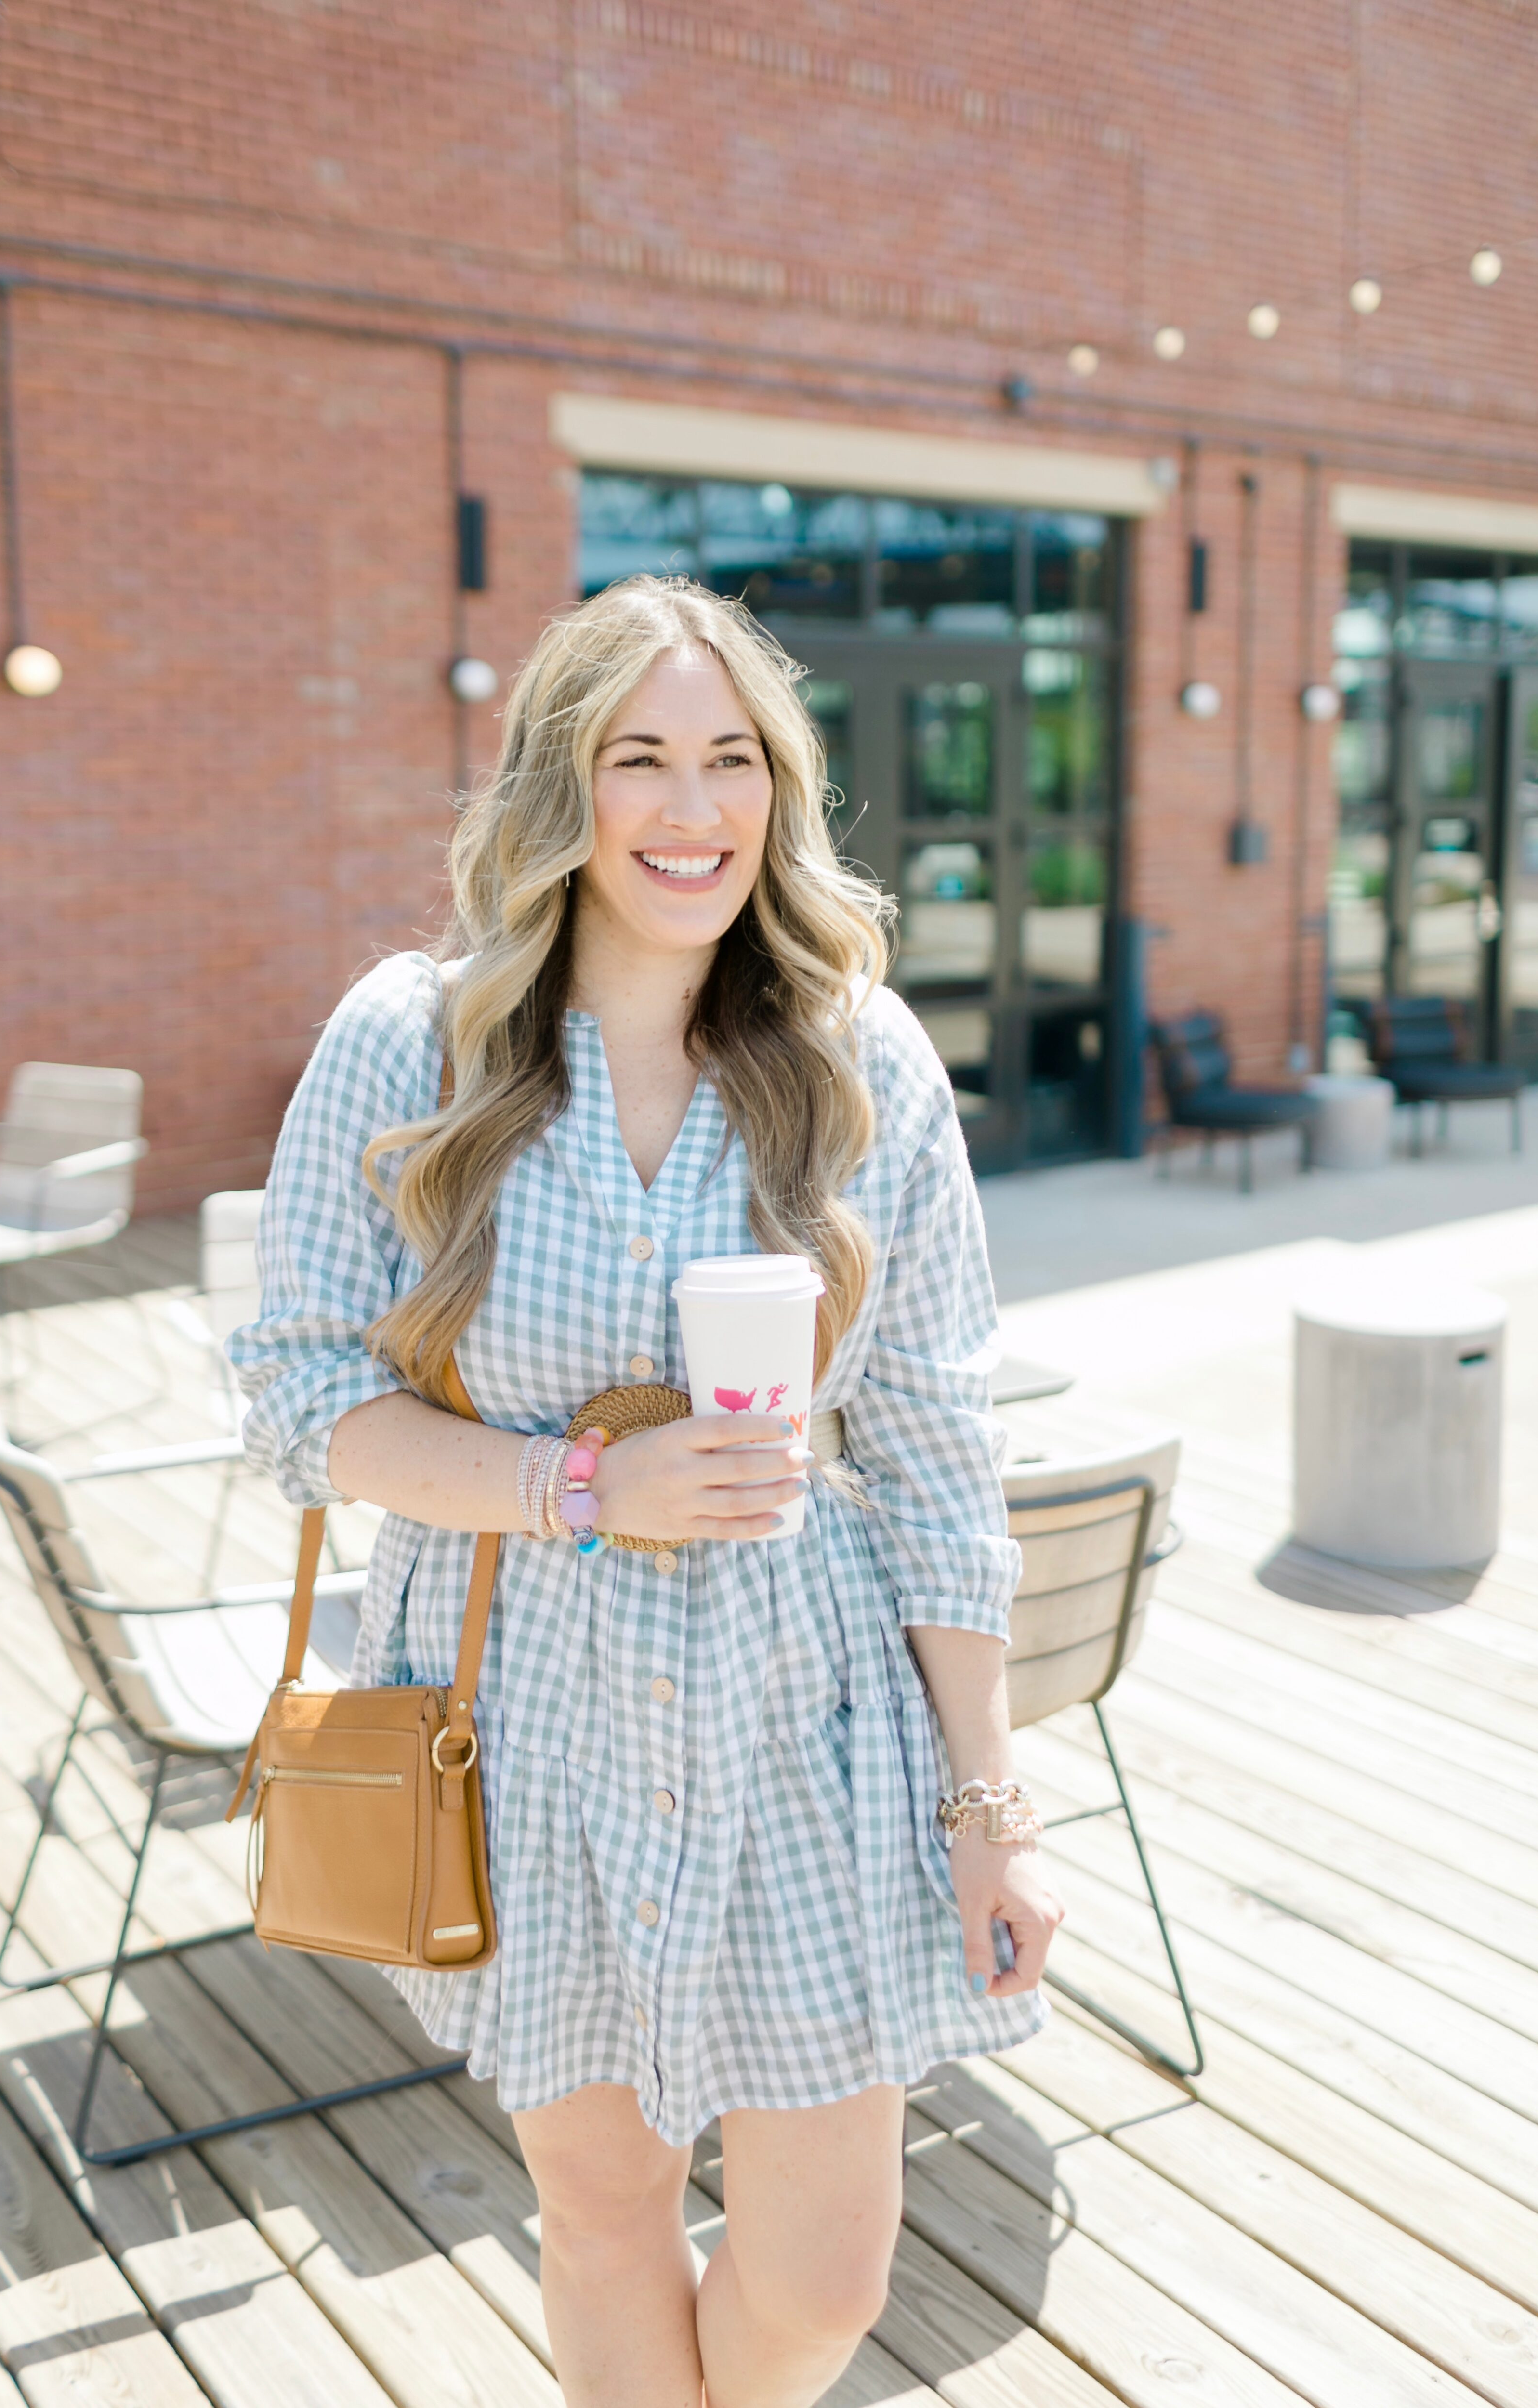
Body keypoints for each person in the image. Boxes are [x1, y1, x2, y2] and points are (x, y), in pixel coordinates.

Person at [233, 575, 1064, 2408]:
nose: (694, 812)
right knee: (603, 2217)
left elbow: (934, 1449)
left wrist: (992, 1803)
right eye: (641, 761)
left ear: (781, 789)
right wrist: (582, 1488)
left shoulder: (859, 1060)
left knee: (822, 2286)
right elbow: (300, 1400)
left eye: (733, 762)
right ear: (563, 788)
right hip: (528, 1716)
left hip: (814, 1723)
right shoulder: (412, 1039)